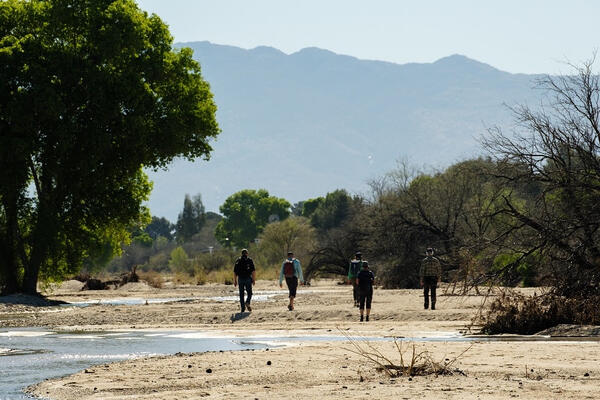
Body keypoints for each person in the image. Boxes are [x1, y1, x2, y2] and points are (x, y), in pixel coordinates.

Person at [233, 248, 255, 313]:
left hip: (240, 279)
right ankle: (247, 302)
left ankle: (243, 308)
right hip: (248, 278)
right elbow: (253, 271)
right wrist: (254, 280)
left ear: (241, 254)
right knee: (249, 293)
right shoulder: (249, 260)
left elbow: (235, 272)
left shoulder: (238, 260)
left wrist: (235, 280)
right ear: (247, 254)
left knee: (241, 294)